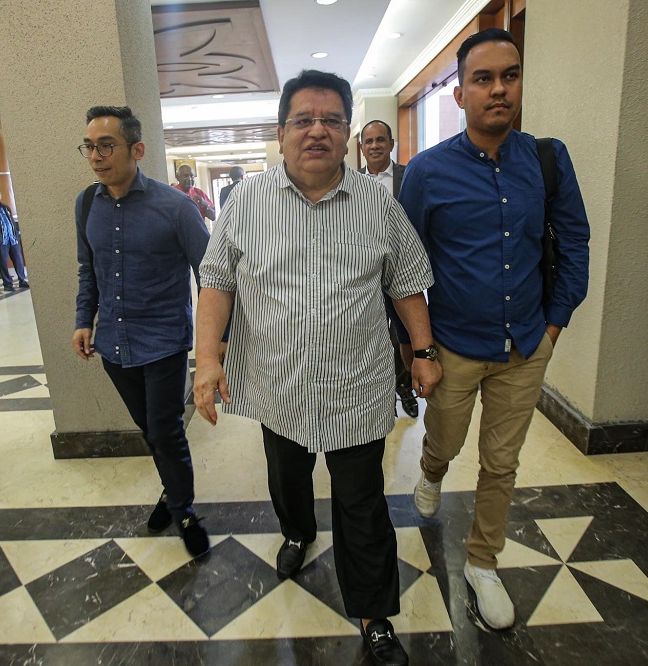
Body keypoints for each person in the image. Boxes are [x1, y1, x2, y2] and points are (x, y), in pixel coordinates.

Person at [193, 70, 439, 666]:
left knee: (364, 504)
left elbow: (406, 283)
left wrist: (424, 351)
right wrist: (207, 360)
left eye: (331, 120)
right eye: (303, 120)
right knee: (288, 481)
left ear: (349, 133)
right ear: (281, 134)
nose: (317, 131)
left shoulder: (379, 202)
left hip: (355, 386)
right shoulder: (244, 202)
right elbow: (217, 284)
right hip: (280, 387)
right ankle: (298, 530)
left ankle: (374, 614)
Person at [398, 28, 590, 631]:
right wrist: (420, 349)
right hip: (454, 346)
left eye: (509, 75)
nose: (499, 89)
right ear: (460, 96)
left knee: (500, 463)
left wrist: (554, 326)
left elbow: (575, 243)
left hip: (527, 346)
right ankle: (430, 473)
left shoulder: (547, 161)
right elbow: (403, 269)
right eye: (483, 79)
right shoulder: (427, 173)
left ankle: (483, 563)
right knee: (447, 442)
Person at [73, 105, 211, 559]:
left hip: (164, 342)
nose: (96, 156)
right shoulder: (85, 203)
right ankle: (172, 493)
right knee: (149, 431)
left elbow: (210, 277)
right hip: (112, 343)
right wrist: (82, 320)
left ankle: (185, 510)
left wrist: (217, 345)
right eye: (90, 146)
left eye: (106, 146)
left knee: (165, 429)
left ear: (137, 149)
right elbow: (87, 269)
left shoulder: (175, 207)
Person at [358, 120, 418, 419]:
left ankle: (404, 388)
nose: (375, 146)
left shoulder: (410, 177)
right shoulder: (350, 181)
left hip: (403, 274)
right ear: (361, 148)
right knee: (378, 337)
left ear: (391, 144)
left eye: (380, 140)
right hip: (366, 274)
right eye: (368, 142)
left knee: (406, 334)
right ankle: (386, 396)